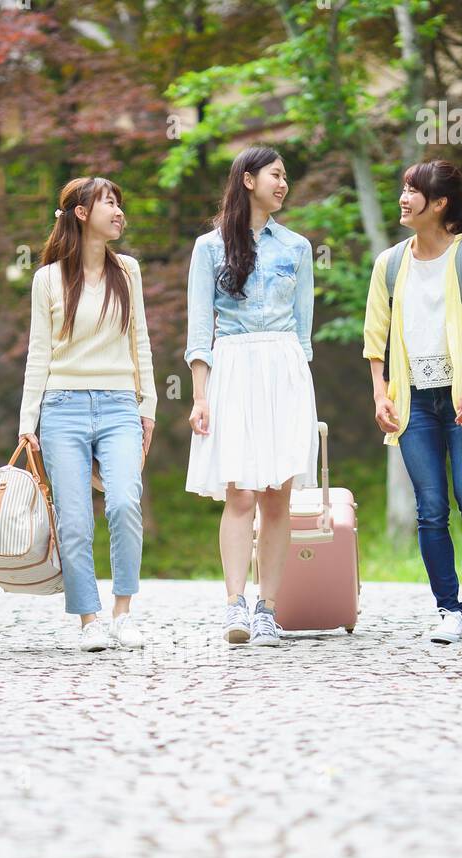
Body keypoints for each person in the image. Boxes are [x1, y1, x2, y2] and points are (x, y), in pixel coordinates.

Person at [363, 158, 462, 642]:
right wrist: (379, 392)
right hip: (413, 403)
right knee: (430, 508)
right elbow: (375, 338)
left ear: (440, 203)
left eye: (413, 190)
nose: (404, 198)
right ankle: (449, 609)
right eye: (404, 188)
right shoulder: (389, 263)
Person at [184, 145, 318, 647]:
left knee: (277, 495)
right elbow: (201, 328)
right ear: (247, 180)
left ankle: (269, 608)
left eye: (286, 177)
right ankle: (234, 604)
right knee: (239, 492)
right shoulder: (209, 247)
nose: (283, 185)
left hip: (283, 368)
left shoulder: (298, 248)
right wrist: (200, 395)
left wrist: (300, 392)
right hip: (234, 366)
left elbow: (304, 334)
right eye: (276, 175)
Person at [18, 176, 156, 651]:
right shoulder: (47, 280)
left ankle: (123, 611)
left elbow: (140, 342)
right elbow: (39, 353)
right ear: (81, 213)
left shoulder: (129, 272)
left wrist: (149, 408)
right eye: (108, 203)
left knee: (124, 503)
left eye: (120, 202)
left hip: (120, 404)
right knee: (75, 520)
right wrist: (27, 422)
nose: (118, 211)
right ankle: (89, 619)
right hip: (61, 408)